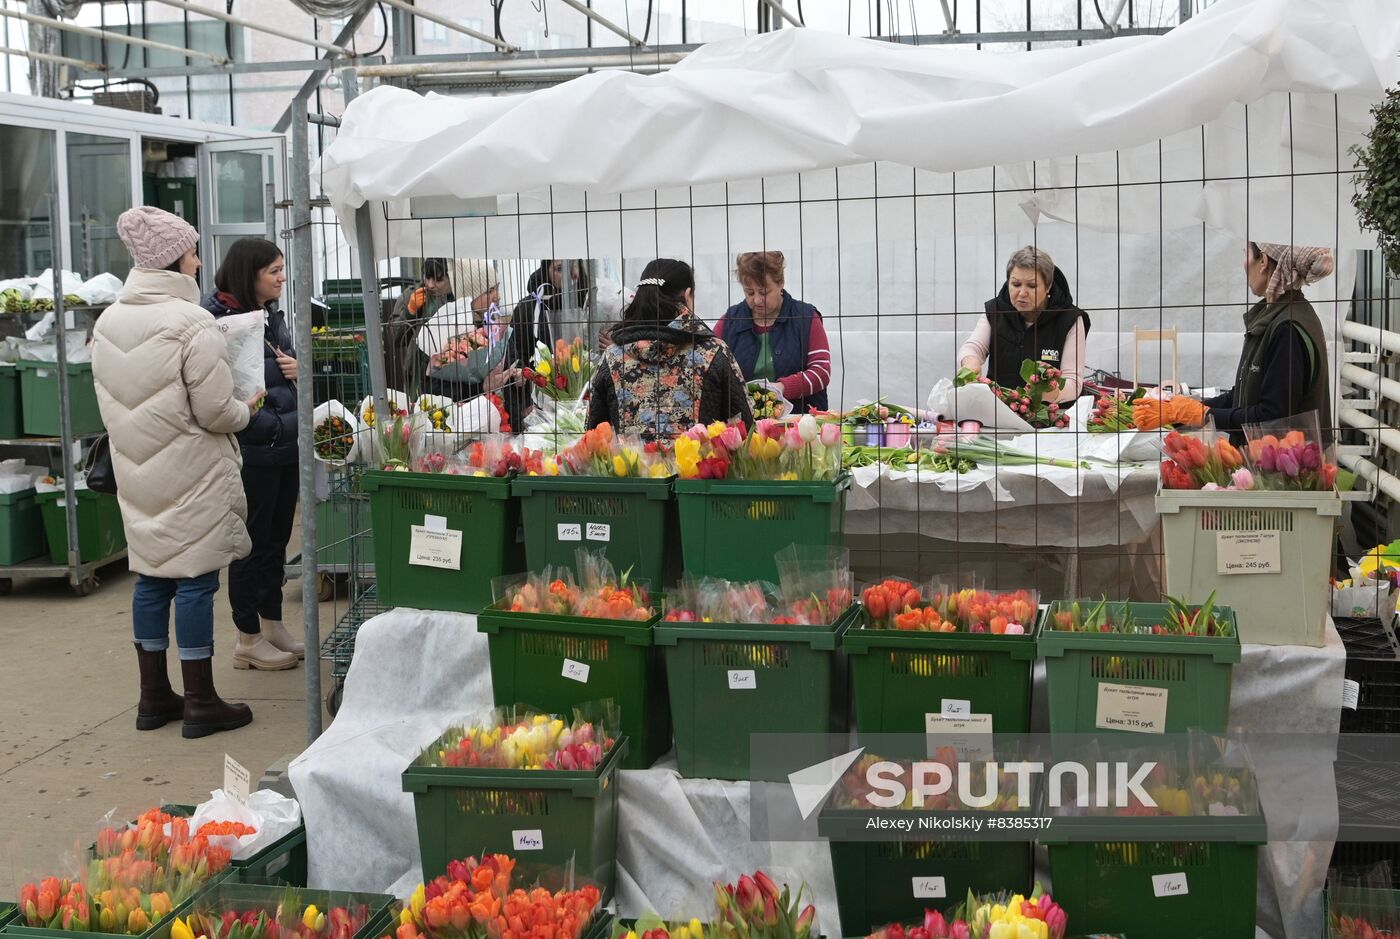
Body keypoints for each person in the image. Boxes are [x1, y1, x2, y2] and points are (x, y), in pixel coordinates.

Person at [92, 207, 264, 738]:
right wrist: (249, 408)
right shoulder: (191, 322)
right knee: (194, 580)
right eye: (192, 250)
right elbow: (215, 411)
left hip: (137, 466)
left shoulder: (108, 320)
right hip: (192, 469)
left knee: (151, 578)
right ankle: (200, 700)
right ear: (173, 259)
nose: (198, 260)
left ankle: (152, 698)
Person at [203, 238, 302, 672]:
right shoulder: (216, 322)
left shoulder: (271, 316)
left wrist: (299, 369)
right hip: (251, 447)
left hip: (285, 441)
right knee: (249, 544)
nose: (282, 278)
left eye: (282, 269)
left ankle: (272, 621)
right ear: (250, 274)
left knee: (277, 540)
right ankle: (247, 636)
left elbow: (286, 366)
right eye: (274, 271)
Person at [1133, 241, 1334, 442]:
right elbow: (1243, 396)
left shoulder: (1287, 328)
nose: (1243, 264)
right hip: (1275, 464)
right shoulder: (1277, 316)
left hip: (1286, 469)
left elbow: (1272, 417)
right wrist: (1179, 410)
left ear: (1262, 261)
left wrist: (1201, 415)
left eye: (1246, 254)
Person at [588, 258, 753, 440]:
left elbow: (593, 432)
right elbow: (744, 424)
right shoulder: (712, 352)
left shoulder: (613, 358)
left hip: (631, 468)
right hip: (699, 467)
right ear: (688, 294)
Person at [958, 245, 1090, 402]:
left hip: (1051, 418)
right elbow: (973, 347)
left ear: (1048, 286)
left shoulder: (1070, 319)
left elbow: (1073, 382)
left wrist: (1053, 394)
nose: (1022, 293)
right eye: (1016, 284)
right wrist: (970, 362)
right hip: (999, 410)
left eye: (1032, 286)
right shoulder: (995, 311)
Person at [713, 251, 831, 415]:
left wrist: (782, 388)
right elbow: (709, 368)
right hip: (745, 425)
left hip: (799, 421)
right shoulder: (729, 321)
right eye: (750, 292)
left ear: (781, 283)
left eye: (764, 292)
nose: (757, 300)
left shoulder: (806, 317)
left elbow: (822, 372)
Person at [422, 259, 533, 429]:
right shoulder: (444, 332)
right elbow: (434, 389)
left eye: (497, 288)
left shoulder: (497, 329)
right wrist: (480, 388)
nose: (498, 296)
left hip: (506, 424)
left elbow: (514, 362)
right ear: (470, 295)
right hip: (466, 427)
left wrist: (518, 378)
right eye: (490, 291)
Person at [387, 258, 454, 395]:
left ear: (451, 278)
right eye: (427, 277)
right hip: (419, 376)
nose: (430, 284)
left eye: (438, 280)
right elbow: (393, 339)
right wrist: (410, 312)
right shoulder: (410, 295)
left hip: (454, 375)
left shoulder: (461, 297)